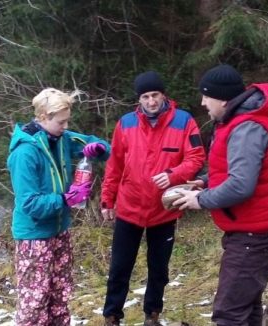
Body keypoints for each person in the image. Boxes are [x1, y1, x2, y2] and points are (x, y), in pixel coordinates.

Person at [173, 64, 268, 326]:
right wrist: (205, 181)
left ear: (223, 98)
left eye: (206, 96)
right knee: (246, 307)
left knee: (229, 313)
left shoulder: (247, 128)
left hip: (256, 236)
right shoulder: (236, 122)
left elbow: (241, 185)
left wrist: (200, 200)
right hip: (254, 231)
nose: (203, 102)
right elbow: (233, 168)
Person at [100, 71, 206, 325]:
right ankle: (112, 315)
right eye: (145, 97)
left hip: (164, 210)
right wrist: (107, 199)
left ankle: (152, 314)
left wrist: (173, 174)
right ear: (139, 99)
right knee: (119, 268)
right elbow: (114, 165)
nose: (151, 102)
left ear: (163, 94)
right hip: (129, 207)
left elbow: (196, 157)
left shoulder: (184, 121)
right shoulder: (125, 123)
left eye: (155, 95)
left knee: (158, 269)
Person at [7, 87, 111, 326]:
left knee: (59, 294)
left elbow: (98, 146)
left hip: (59, 231)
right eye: (61, 121)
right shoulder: (25, 153)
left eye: (67, 121)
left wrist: (98, 148)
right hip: (34, 237)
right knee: (34, 303)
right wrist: (65, 199)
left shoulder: (60, 138)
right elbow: (29, 203)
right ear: (43, 117)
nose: (65, 126)